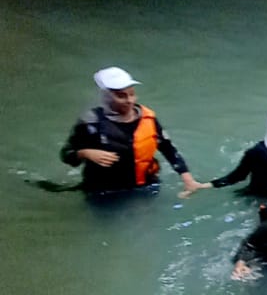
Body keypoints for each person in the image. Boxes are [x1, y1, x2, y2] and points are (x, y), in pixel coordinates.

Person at [61, 67, 201, 197]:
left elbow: (168, 148)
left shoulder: (148, 118)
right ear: (106, 97)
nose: (129, 101)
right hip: (103, 192)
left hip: (145, 187)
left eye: (132, 94)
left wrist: (187, 178)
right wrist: (84, 153)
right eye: (121, 96)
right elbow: (66, 154)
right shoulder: (90, 122)